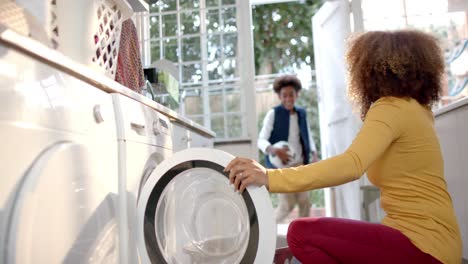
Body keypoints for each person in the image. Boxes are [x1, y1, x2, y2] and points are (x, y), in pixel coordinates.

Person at [225, 30, 462, 264]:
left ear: (370, 71)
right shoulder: (418, 110)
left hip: (422, 246)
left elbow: (352, 164)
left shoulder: (390, 107)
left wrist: (269, 176)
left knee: (300, 233)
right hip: (437, 243)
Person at [257, 75, 318, 223]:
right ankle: (267, 229)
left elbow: (307, 133)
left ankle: (304, 235)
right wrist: (275, 150)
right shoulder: (273, 114)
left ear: (297, 94)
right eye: (284, 95)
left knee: (305, 202)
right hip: (281, 168)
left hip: (299, 164)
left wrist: (314, 153)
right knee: (287, 205)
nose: (288, 98)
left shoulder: (302, 114)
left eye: (291, 94)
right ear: (279, 96)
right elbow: (261, 140)